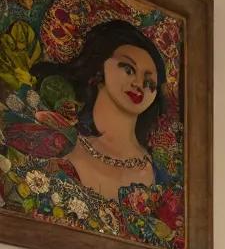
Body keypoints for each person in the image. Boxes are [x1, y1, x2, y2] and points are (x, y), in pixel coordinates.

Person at [34, 19, 167, 200]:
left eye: (149, 82)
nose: (138, 85)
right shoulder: (62, 141)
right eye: (128, 69)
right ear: (100, 67)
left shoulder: (159, 175)